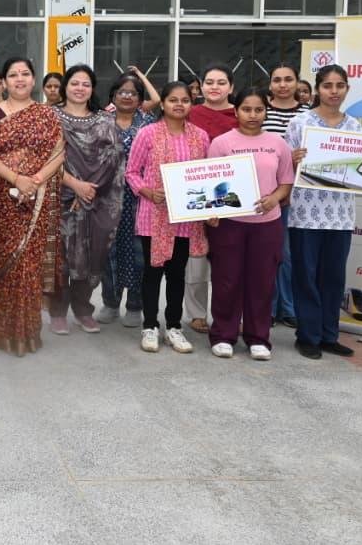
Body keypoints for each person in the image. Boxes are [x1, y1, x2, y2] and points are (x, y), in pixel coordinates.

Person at [286, 64, 362, 359]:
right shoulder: (299, 124)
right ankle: (307, 335)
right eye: (327, 86)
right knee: (305, 276)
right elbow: (283, 169)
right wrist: (294, 160)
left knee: (333, 277)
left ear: (347, 89)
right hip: (306, 213)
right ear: (317, 89)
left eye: (339, 86)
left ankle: (328, 335)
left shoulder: (355, 126)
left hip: (341, 214)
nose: (334, 92)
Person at [0, 57, 64, 356]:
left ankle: (27, 330)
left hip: (36, 198)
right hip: (1, 197)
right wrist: (17, 178)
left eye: (25, 74)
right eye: (13, 75)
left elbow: (59, 153)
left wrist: (35, 180)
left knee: (28, 264)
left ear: (33, 79)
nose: (19, 79)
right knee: (6, 263)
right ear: (4, 81)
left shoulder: (47, 114)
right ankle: (1, 329)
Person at [206, 87, 295, 360]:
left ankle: (258, 337)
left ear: (266, 111)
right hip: (230, 222)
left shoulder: (278, 143)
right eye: (247, 109)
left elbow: (286, 181)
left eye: (258, 109)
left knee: (262, 281)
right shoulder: (222, 143)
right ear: (236, 111)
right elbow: (211, 182)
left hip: (267, 223)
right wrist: (212, 211)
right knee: (227, 279)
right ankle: (224, 334)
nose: (253, 115)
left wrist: (275, 198)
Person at [125, 81, 208, 355]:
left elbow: (207, 176)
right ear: (163, 103)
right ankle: (150, 325)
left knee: (176, 275)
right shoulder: (147, 134)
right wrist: (147, 191)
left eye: (185, 100)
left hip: (185, 219)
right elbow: (131, 173)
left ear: (191, 104)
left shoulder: (200, 137)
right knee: (152, 274)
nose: (179, 105)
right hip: (153, 215)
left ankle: (174, 326)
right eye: (173, 99)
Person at [50, 65, 125, 334]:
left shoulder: (105, 120)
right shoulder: (50, 117)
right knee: (59, 256)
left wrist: (90, 189)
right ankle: (57, 310)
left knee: (93, 254)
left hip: (99, 198)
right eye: (75, 83)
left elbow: (114, 157)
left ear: (92, 89)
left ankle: (83, 309)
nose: (80, 88)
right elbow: (43, 158)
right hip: (58, 196)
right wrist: (74, 185)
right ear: (65, 86)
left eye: (86, 84)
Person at [97, 73, 155, 328]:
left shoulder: (149, 123)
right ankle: (110, 302)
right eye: (121, 91)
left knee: (138, 253)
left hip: (141, 199)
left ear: (140, 98)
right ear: (113, 96)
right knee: (107, 253)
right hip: (106, 199)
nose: (127, 96)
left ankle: (135, 305)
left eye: (133, 92)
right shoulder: (100, 122)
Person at [183, 62, 237, 335]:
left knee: (227, 262)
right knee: (196, 259)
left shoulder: (242, 116)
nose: (215, 87)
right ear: (200, 86)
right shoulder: (189, 114)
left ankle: (226, 315)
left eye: (221, 82)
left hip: (229, 196)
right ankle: (195, 313)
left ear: (231, 87)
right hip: (196, 194)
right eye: (209, 82)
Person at [264, 64, 305, 329]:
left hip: (298, 194)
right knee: (268, 253)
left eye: (288, 79)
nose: (282, 84)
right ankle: (267, 306)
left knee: (288, 254)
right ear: (270, 84)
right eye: (277, 79)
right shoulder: (260, 111)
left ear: (297, 83)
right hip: (266, 193)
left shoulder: (308, 115)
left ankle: (288, 308)